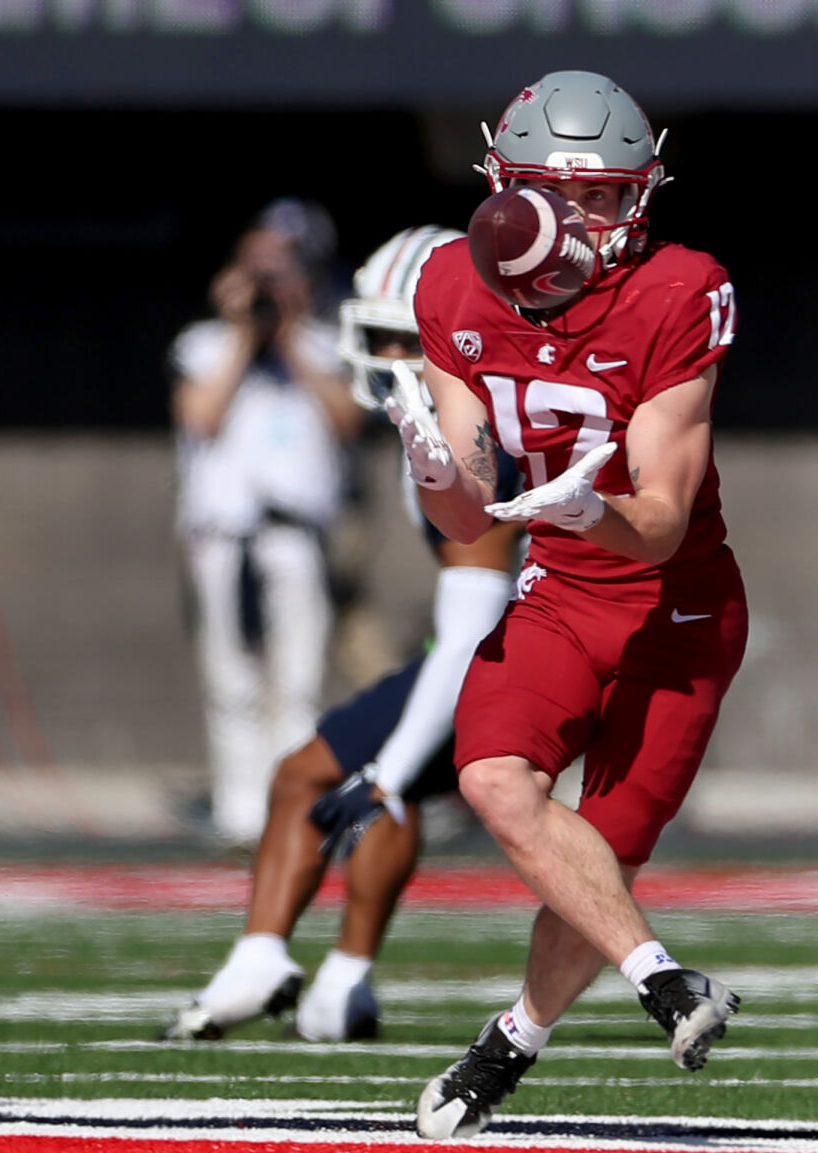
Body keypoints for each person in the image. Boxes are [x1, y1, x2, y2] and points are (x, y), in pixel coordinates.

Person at [385, 71, 745, 1139]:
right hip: (560, 589)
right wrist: (437, 473)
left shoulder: (679, 288)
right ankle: (666, 981)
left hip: (673, 609)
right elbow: (464, 522)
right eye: (554, 192)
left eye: (602, 197)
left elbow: (666, 516)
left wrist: (592, 508)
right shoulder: (453, 283)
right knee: (491, 776)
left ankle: (508, 1042)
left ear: (642, 196)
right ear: (502, 184)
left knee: (606, 849)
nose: (580, 221)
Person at [162, 225, 525, 1044]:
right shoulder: (432, 412)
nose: (387, 353)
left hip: (524, 652)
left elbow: (476, 625)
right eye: (381, 334)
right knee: (318, 777)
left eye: (408, 336)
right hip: (498, 643)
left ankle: (316, 975)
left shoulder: (477, 434)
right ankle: (319, 978)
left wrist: (390, 771)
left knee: (348, 778)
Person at [171, 198, 363, 846]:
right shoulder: (203, 345)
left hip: (297, 534)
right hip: (225, 536)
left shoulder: (327, 344)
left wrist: (285, 334)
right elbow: (201, 416)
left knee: (299, 679)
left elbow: (347, 421)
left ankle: (295, 808)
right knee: (231, 680)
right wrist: (241, 333)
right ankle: (239, 811)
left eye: (280, 271)